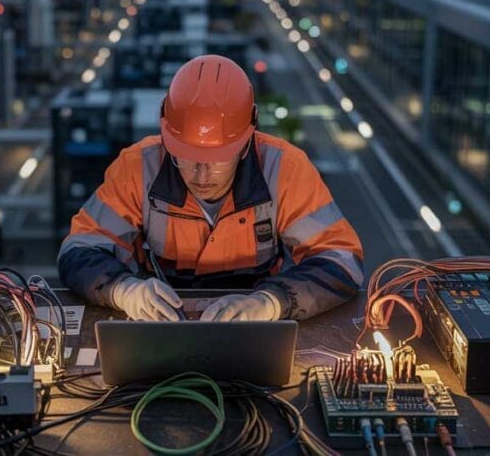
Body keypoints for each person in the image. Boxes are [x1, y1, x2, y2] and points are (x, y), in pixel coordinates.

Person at [57, 54, 363, 321]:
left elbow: (340, 260)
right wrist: (123, 290)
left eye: (218, 159)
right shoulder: (137, 168)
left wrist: (272, 302)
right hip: (160, 322)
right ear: (167, 138)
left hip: (255, 327)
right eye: (187, 157)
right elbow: (78, 250)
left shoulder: (285, 170)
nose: (201, 175)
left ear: (247, 142)